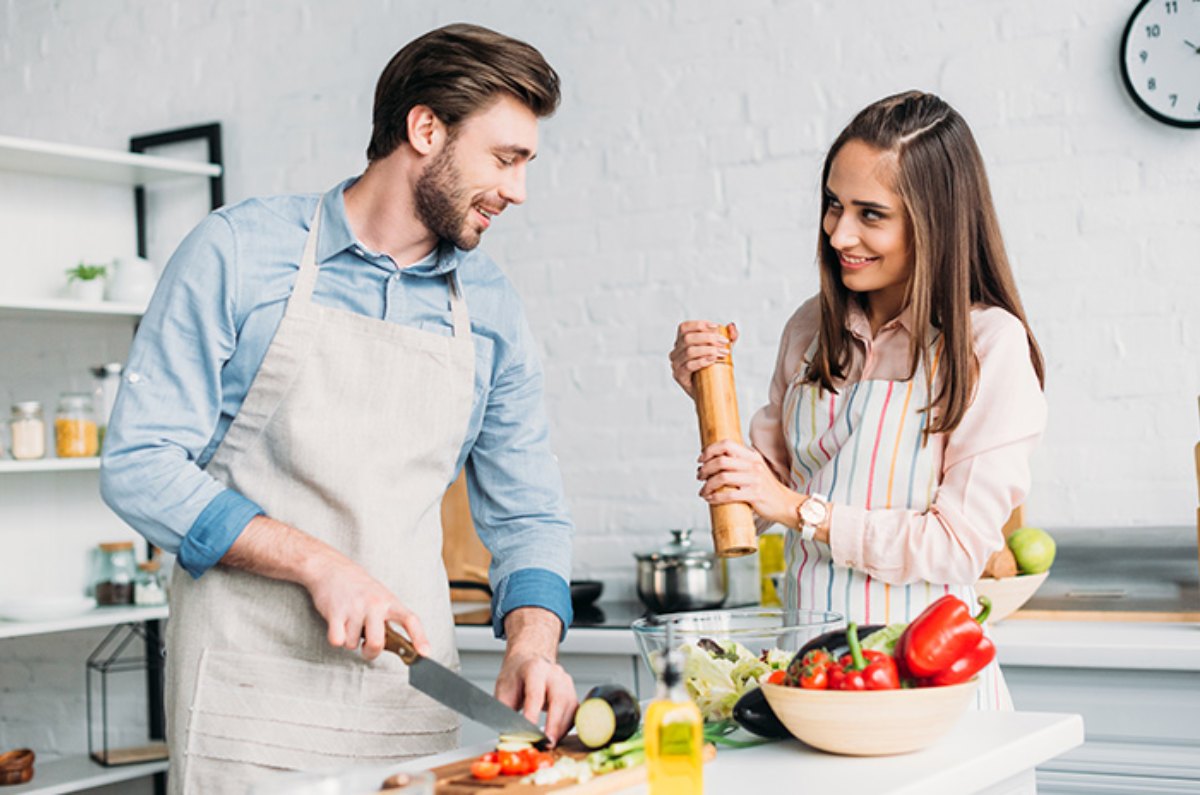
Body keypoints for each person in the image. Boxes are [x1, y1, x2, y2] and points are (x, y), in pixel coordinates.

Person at [101, 23, 577, 790]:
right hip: (247, 707)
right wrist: (318, 563)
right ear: (426, 128)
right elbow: (139, 466)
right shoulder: (238, 254)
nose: (518, 189)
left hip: (407, 703)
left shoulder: (491, 309)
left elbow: (528, 515)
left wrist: (532, 645)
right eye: (505, 158)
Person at [669, 91, 1046, 709]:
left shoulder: (989, 346)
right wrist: (706, 398)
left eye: (871, 214)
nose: (839, 233)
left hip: (930, 695)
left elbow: (957, 545)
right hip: (811, 685)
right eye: (833, 205)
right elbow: (758, 504)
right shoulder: (809, 331)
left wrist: (803, 512)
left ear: (936, 223)